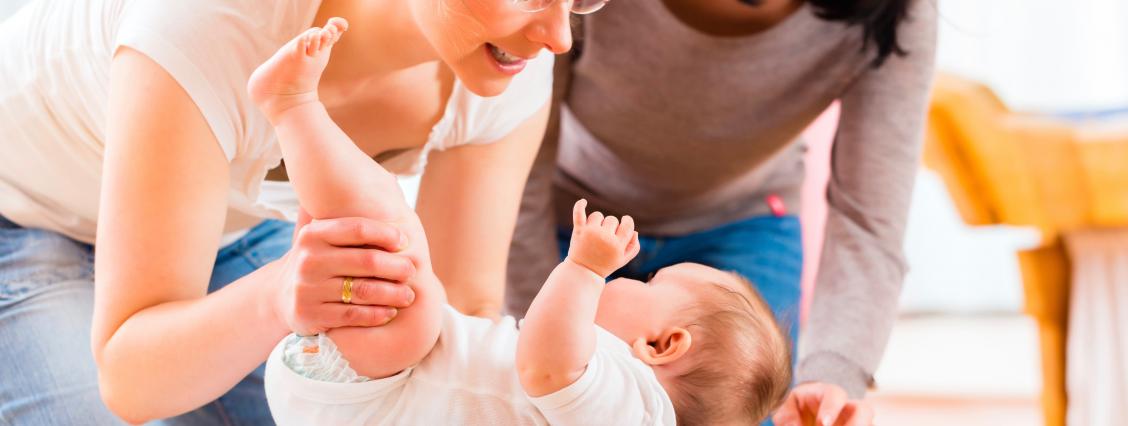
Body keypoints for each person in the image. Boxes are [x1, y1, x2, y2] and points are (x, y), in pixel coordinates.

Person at [0, 0, 575, 423]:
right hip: (22, 216)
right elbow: (129, 379)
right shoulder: (210, 21)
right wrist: (277, 295)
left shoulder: (506, 66)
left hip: (235, 230)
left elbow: (459, 318)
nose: (560, 36)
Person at [250, 26, 791, 424]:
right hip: (367, 388)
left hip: (369, 394)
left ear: (662, 345)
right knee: (381, 250)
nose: (635, 277)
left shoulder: (633, 408)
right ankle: (312, 176)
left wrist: (584, 269)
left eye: (651, 284)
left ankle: (292, 107)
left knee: (395, 242)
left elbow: (547, 367)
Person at [506, 0, 938, 424]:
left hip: (744, 219)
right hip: (574, 215)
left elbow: (868, 221)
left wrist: (830, 378)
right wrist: (534, 336)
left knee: (747, 406)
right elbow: (515, 162)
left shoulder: (895, 14)